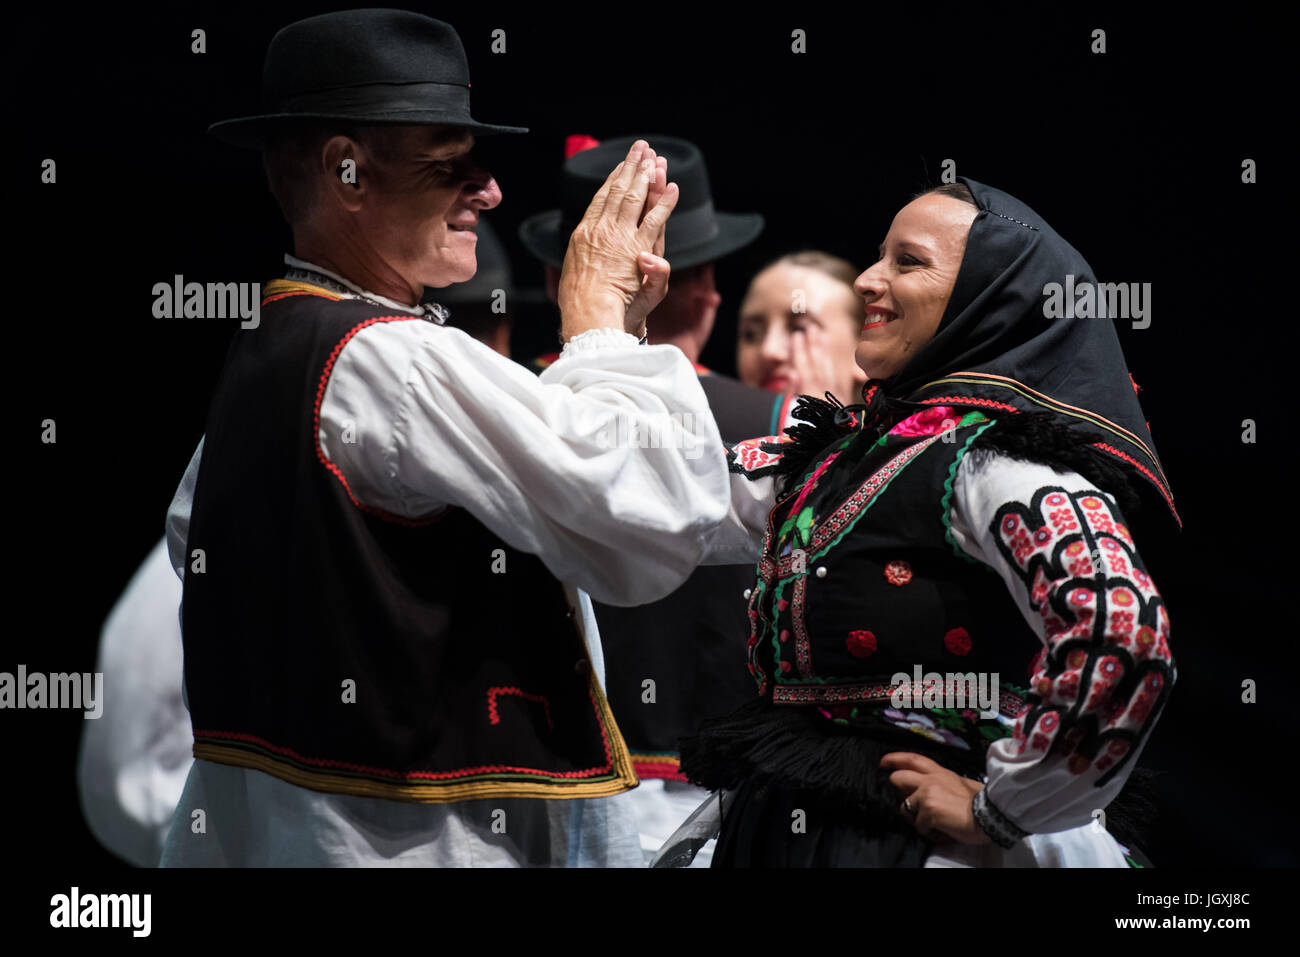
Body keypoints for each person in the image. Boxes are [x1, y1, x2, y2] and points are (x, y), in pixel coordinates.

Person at [160, 9, 728, 867]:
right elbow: (648, 519)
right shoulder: (389, 359)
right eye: (448, 163)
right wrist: (599, 322)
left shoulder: (277, 345)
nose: (491, 190)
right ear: (345, 172)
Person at [675, 178, 1178, 867]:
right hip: (793, 832)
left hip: (912, 845)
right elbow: (655, 492)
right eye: (878, 257)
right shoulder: (829, 459)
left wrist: (1002, 808)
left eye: (907, 262)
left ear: (986, 295)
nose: (867, 280)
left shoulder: (1000, 464)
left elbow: (1123, 631)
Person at [519, 134, 788, 865]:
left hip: (545, 787)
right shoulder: (776, 425)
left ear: (558, 277)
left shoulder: (503, 405)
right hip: (723, 799)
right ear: (696, 284)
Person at [737, 251, 869, 408]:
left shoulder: (901, 430)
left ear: (863, 353)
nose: (769, 351)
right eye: (751, 335)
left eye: (800, 329)